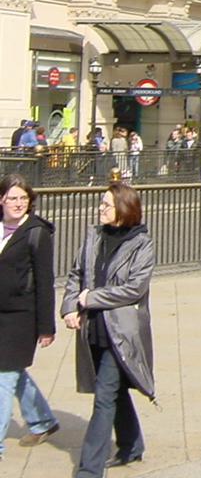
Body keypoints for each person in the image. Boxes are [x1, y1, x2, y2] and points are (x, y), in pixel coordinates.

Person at [61, 183, 155, 476]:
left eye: (106, 205)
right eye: (101, 204)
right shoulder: (94, 237)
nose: (101, 209)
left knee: (104, 395)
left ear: (123, 210)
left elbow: (134, 289)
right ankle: (131, 444)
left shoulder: (142, 244)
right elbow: (76, 274)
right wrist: (69, 306)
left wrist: (92, 298)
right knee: (113, 390)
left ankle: (89, 469)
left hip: (122, 331)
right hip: (94, 326)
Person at [0, 175, 60, 456]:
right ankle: (42, 420)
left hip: (21, 316)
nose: (18, 204)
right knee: (14, 372)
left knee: (4, 377)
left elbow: (46, 281)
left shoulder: (37, 232)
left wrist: (46, 326)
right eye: (12, 198)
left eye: (23, 198)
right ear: (1, 199)